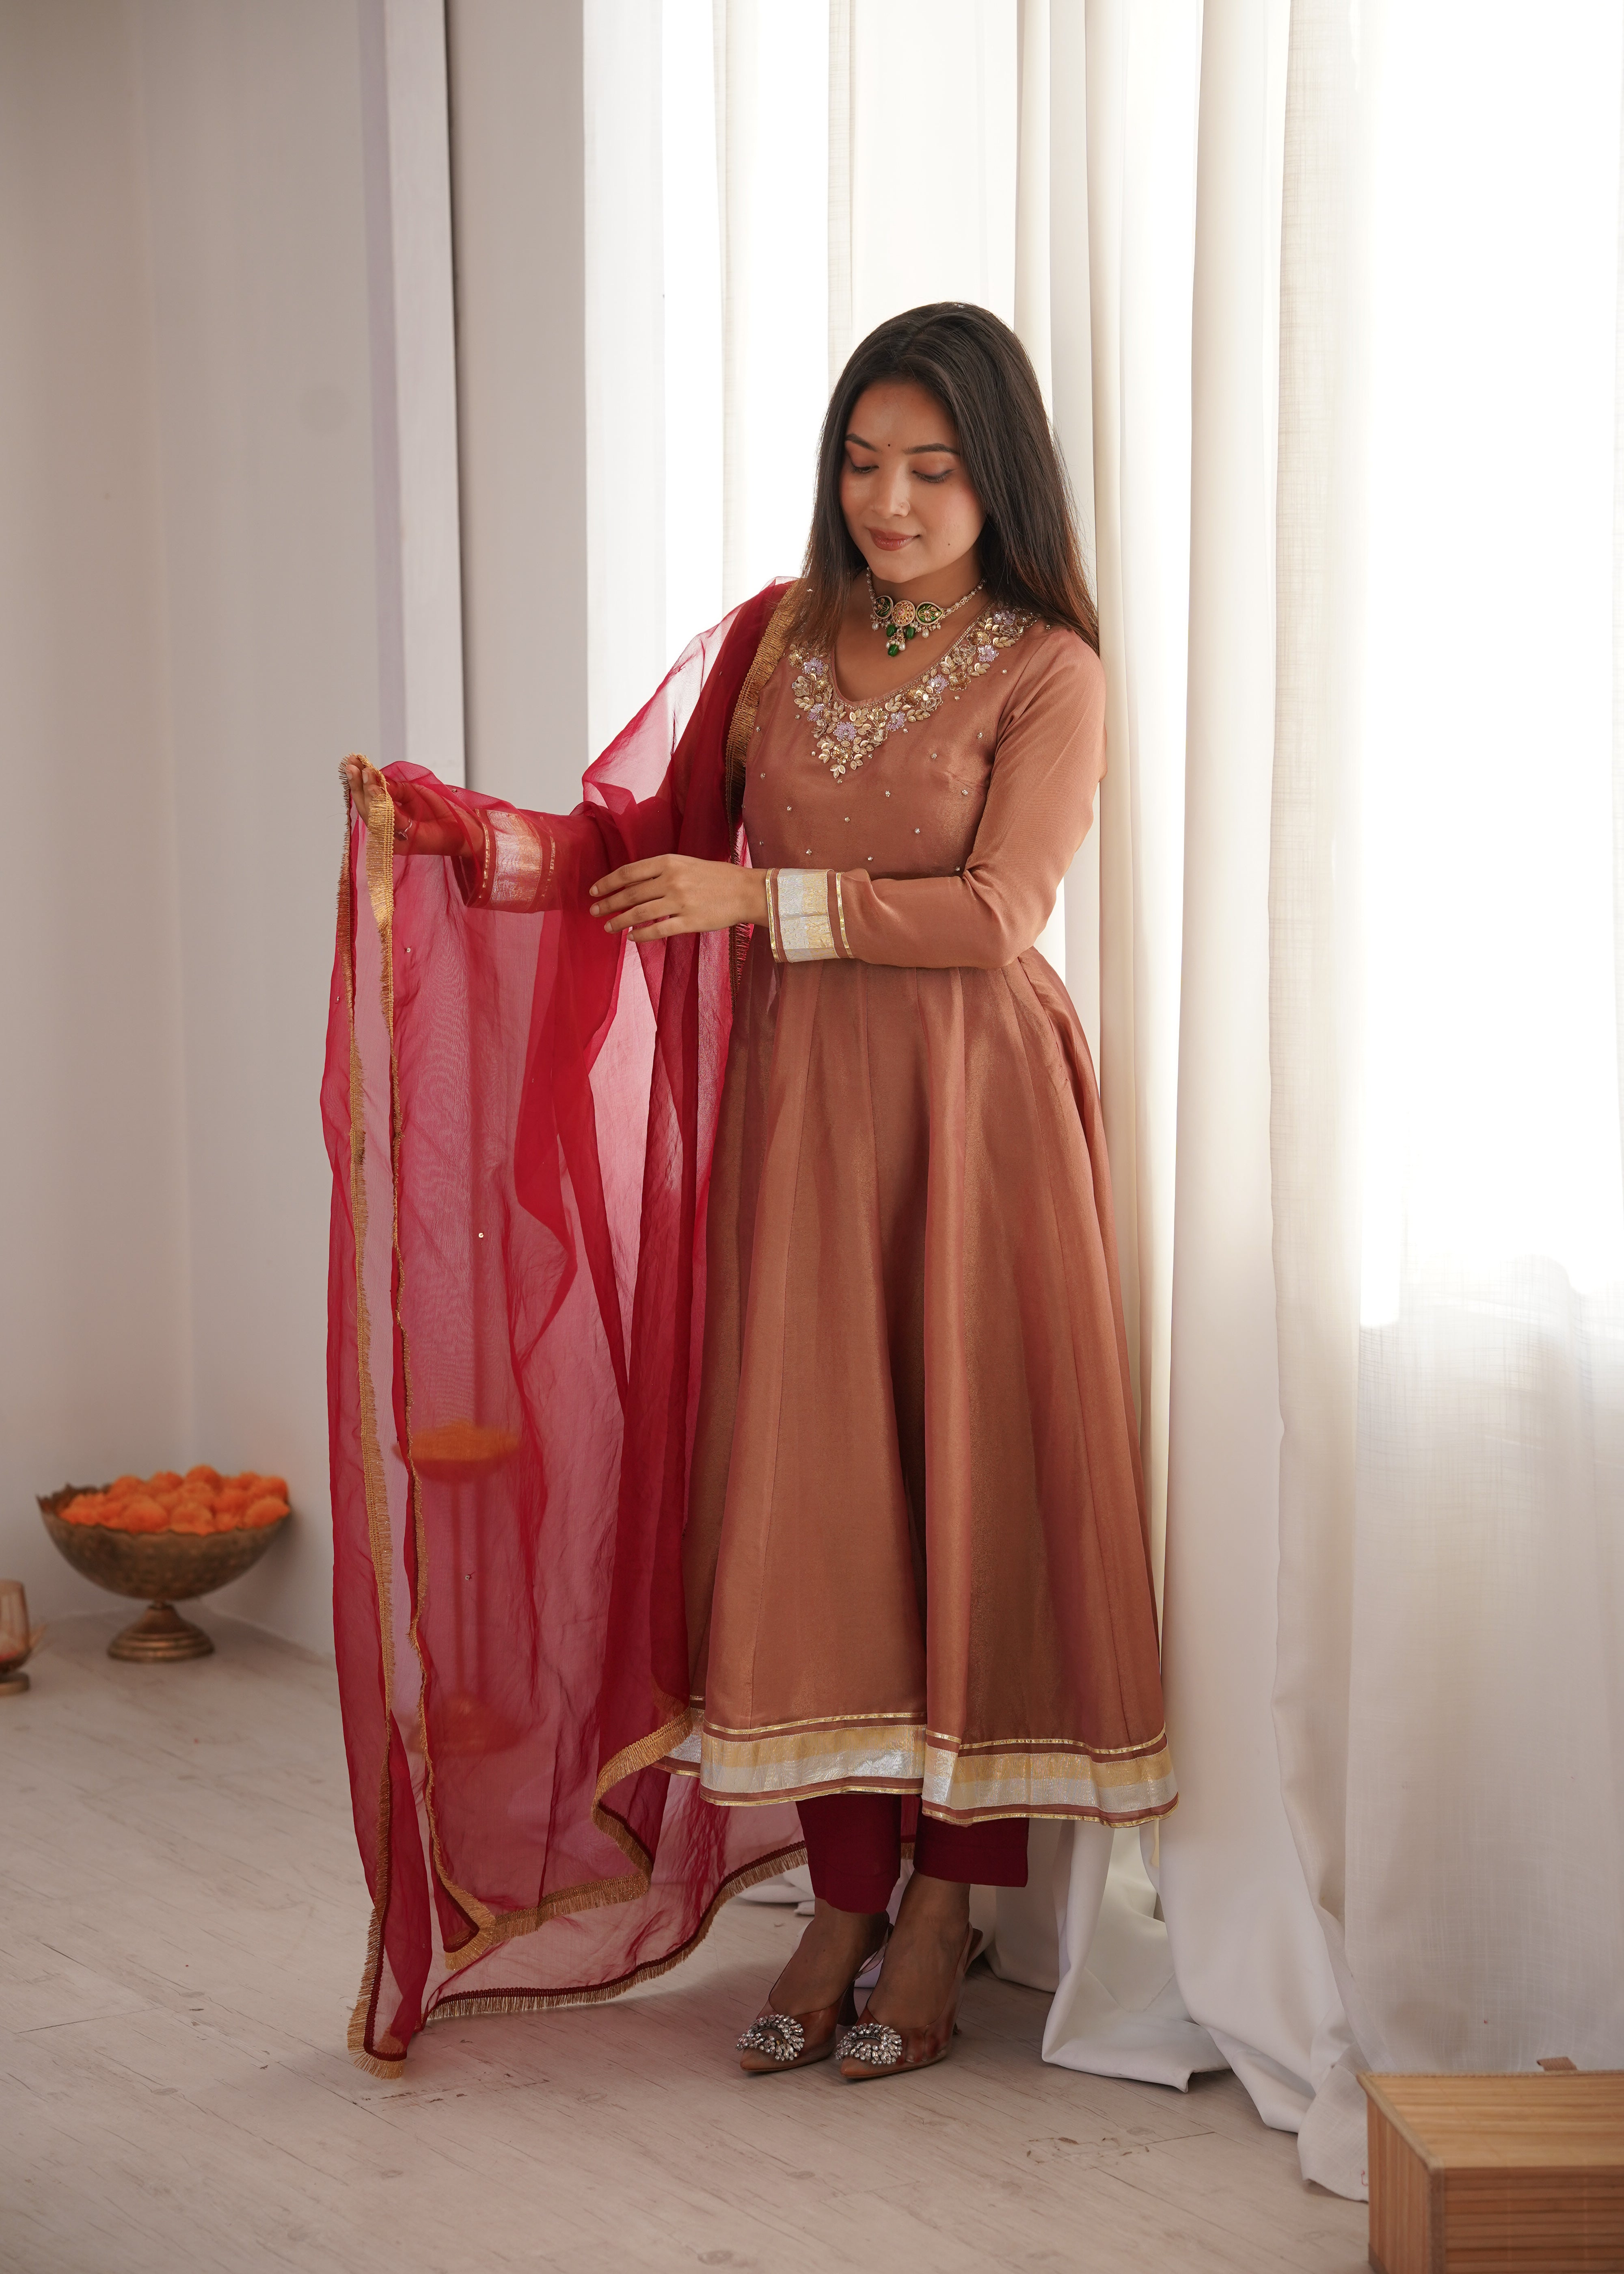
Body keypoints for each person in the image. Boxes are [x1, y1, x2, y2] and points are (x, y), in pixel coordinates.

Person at [329, 303, 1172, 2085]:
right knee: (825, 1511)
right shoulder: (780, 642)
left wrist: (758, 905)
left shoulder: (1050, 670)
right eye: (863, 463)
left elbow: (998, 913)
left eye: (932, 468)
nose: (890, 498)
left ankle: (952, 1905)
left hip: (972, 1118)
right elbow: (647, 849)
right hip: (795, 1120)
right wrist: (469, 845)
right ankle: (846, 1896)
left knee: (966, 1492)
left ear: (995, 474)